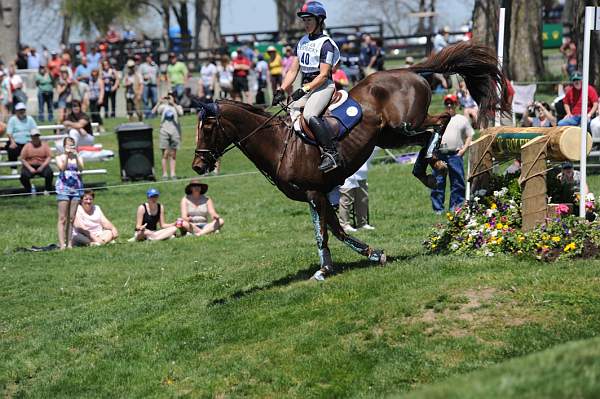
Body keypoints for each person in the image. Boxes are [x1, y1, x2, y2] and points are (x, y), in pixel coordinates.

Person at [272, 1, 341, 172]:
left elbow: (324, 74)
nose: (306, 24)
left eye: (309, 20)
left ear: (319, 21)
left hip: (323, 86)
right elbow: (292, 70)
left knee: (310, 114)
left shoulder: (326, 44)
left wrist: (305, 89)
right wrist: (281, 89)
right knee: (291, 109)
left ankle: (331, 153)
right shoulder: (302, 42)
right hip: (307, 87)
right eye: (304, 20)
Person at [431, 94, 474, 214]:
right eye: (447, 103)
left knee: (457, 182)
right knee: (438, 181)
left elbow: (469, 135)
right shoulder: (439, 119)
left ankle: (456, 207)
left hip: (455, 155)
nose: (449, 106)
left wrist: (464, 149)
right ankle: (438, 209)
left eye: (452, 103)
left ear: (456, 105)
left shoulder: (461, 119)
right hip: (440, 155)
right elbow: (432, 136)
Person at [338, 149, 378, 233]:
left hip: (361, 174)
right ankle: (344, 224)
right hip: (347, 174)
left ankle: (362, 223)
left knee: (363, 200)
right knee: (346, 200)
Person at [55, 136, 84, 249]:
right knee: (63, 218)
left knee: (71, 218)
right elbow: (62, 168)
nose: (70, 146)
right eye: (68, 144)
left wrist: (76, 156)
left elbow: (81, 169)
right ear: (64, 146)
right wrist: (67, 155)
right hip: (63, 188)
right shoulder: (59, 157)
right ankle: (62, 244)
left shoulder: (78, 157)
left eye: (72, 144)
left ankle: (70, 243)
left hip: (76, 188)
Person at [153, 93, 183, 180]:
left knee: (173, 154)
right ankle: (165, 174)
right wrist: (159, 102)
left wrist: (173, 104)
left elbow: (181, 113)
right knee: (165, 154)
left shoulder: (178, 106)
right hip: (164, 131)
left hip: (175, 132)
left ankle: (173, 174)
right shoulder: (163, 107)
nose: (169, 98)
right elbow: (153, 112)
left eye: (171, 96)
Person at [4, 102, 37, 174]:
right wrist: (12, 142)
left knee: (35, 148)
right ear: (16, 111)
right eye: (20, 110)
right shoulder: (12, 119)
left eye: (23, 110)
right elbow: (9, 133)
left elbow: (34, 130)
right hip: (16, 142)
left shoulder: (30, 119)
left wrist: (33, 141)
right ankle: (14, 167)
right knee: (12, 149)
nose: (22, 111)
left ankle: (31, 167)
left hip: (28, 142)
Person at [19, 129, 53, 194]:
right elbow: (22, 158)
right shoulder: (27, 146)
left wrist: (42, 167)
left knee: (49, 173)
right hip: (30, 165)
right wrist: (30, 168)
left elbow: (49, 156)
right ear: (31, 137)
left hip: (42, 164)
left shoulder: (44, 145)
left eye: (37, 136)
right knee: (23, 176)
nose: (36, 137)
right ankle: (29, 190)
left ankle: (47, 189)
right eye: (34, 136)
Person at [140, 54, 159, 119]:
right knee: (145, 100)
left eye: (151, 57)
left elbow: (158, 75)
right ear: (147, 58)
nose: (150, 59)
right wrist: (143, 77)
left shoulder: (155, 66)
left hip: (153, 85)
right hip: (145, 85)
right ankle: (147, 115)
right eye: (149, 57)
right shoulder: (142, 66)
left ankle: (154, 114)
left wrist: (158, 82)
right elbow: (139, 75)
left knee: (155, 100)